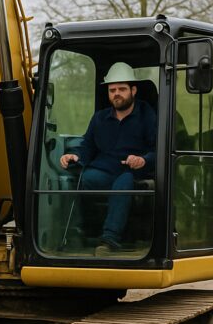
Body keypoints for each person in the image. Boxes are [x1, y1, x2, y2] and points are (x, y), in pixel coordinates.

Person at [59, 62, 157, 255]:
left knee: (124, 181)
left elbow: (158, 150)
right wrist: (75, 156)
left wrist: (143, 160)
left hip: (134, 173)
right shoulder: (99, 118)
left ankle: (109, 240)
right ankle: (80, 233)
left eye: (122, 89)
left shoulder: (148, 115)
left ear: (133, 90)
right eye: (112, 90)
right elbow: (87, 147)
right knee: (84, 178)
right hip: (105, 172)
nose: (116, 94)